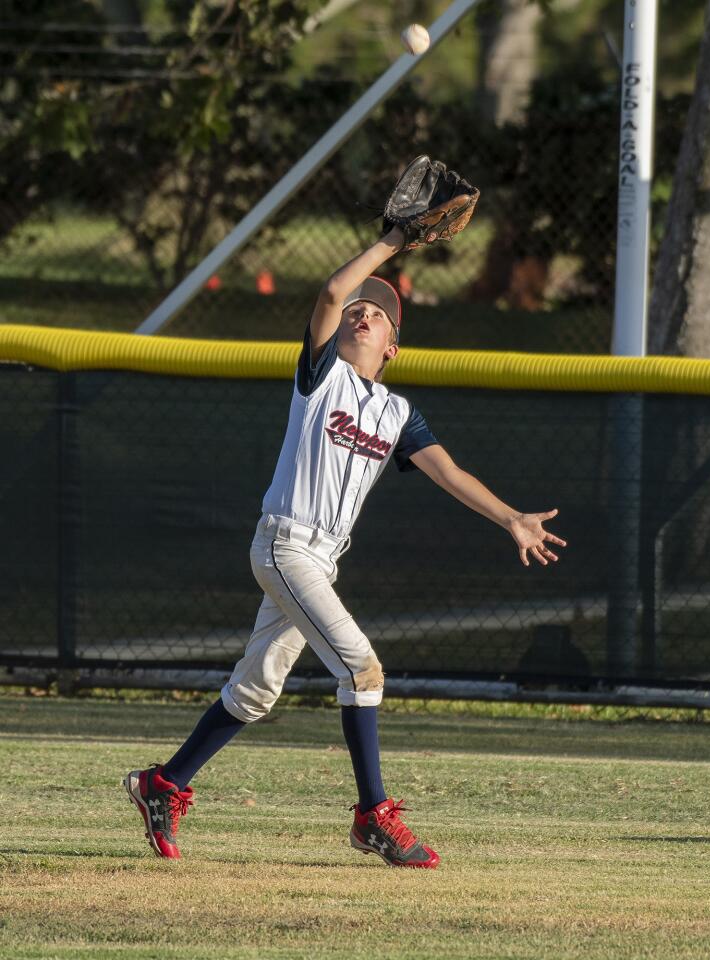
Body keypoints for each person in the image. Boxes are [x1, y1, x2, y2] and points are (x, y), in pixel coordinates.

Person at [124, 224, 566, 868]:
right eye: (361, 307)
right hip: (285, 546)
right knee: (362, 670)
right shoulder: (320, 375)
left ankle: (162, 785)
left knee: (256, 692)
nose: (364, 312)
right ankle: (373, 817)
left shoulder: (396, 412)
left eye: (379, 314)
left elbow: (450, 473)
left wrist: (511, 519)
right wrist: (395, 240)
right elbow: (333, 289)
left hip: (319, 563)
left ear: (393, 346)